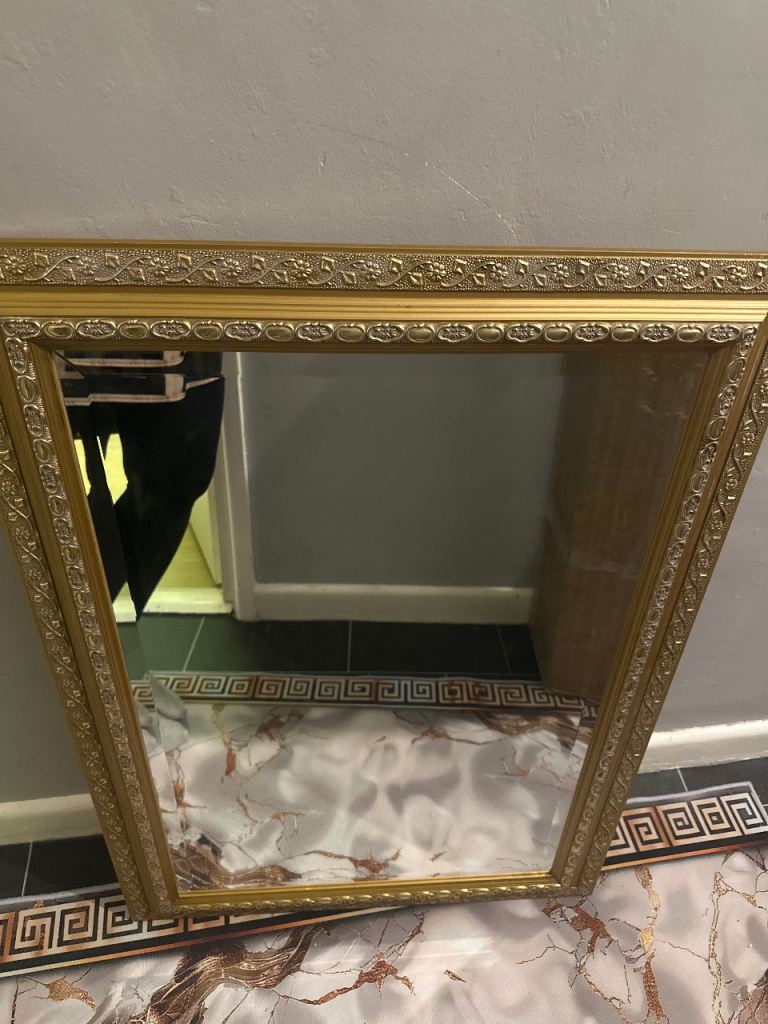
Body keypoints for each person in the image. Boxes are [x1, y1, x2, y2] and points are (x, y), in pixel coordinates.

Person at [60, 350, 224, 617]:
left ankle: (78, 615)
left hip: (172, 345)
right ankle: (66, 616)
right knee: (31, 479)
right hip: (48, 344)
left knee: (173, 484)